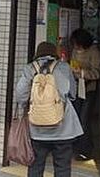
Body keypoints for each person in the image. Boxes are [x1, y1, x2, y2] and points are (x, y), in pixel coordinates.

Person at [15, 42, 83, 177]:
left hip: (37, 130)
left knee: (35, 166)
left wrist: (31, 106)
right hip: (63, 129)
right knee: (62, 167)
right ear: (54, 53)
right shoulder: (64, 67)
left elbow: (20, 95)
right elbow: (72, 94)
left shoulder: (30, 68)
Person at [69, 28, 100, 160]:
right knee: (76, 118)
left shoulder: (94, 52)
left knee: (84, 120)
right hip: (76, 88)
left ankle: (86, 150)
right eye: (74, 44)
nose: (76, 47)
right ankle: (77, 147)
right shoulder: (74, 51)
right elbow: (73, 64)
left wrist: (82, 73)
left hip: (88, 89)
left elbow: (97, 73)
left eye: (77, 44)